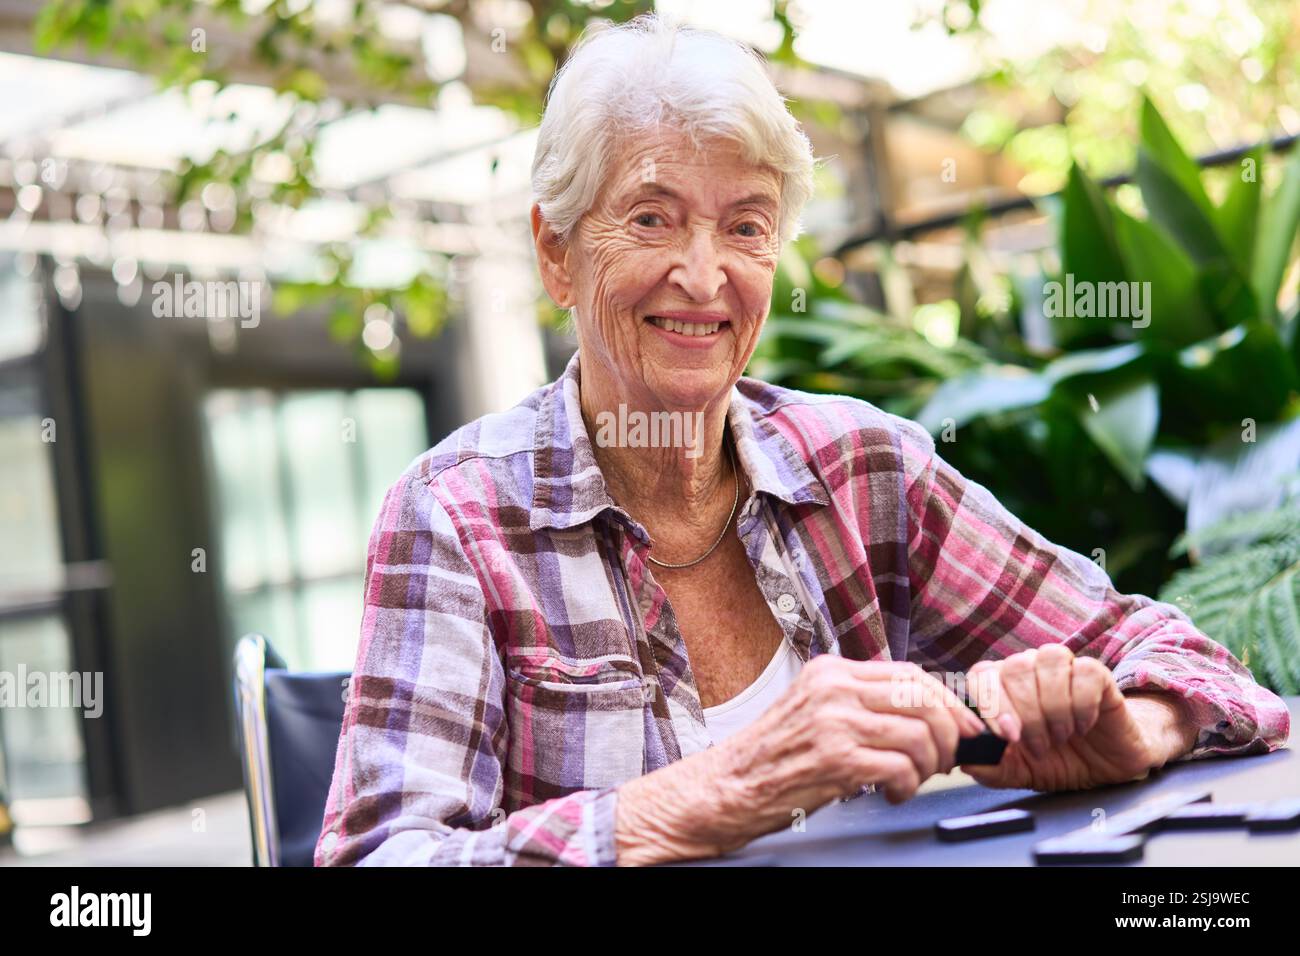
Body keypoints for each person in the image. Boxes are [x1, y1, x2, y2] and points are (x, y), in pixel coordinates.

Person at [315, 14, 1289, 867]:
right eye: (653, 217)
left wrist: (1135, 727)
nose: (703, 275)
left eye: (745, 226)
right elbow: (382, 855)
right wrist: (722, 787)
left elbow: (1198, 666)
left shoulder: (863, 470)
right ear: (556, 251)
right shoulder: (456, 516)